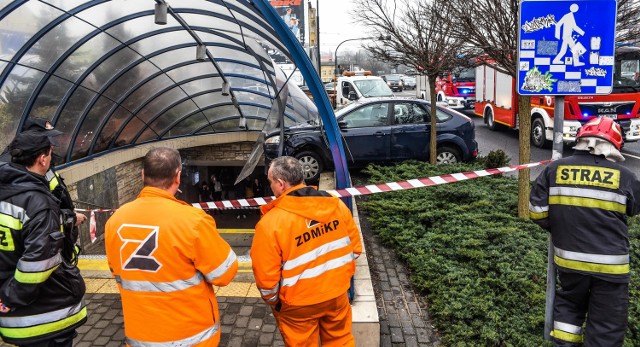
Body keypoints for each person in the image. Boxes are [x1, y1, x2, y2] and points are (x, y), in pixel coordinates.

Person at [105, 147, 238, 346]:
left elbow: (116, 270)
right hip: (193, 338)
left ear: (142, 175)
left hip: (141, 339)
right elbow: (224, 274)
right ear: (178, 176)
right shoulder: (193, 221)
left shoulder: (114, 221)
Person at [530, 117, 640, 346]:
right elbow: (634, 208)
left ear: (580, 140)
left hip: (569, 263)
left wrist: (562, 226)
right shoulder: (625, 177)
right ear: (614, 145)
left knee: (568, 311)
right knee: (606, 327)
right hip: (611, 268)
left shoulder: (553, 169)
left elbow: (537, 212)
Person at [251, 156, 362, 346]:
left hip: (298, 306)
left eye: (270, 182)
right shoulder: (335, 205)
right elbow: (356, 250)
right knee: (340, 341)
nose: (271, 187)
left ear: (280, 184)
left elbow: (266, 281)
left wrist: (275, 303)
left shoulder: (269, 224)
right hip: (336, 294)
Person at [0, 131, 87, 346]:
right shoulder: (38, 201)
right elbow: (38, 262)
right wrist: (9, 298)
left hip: (15, 321)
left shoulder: (6, 191)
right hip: (43, 318)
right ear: (42, 158)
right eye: (49, 154)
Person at [0, 118, 87, 260]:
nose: (52, 144)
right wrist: (68, 219)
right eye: (48, 138)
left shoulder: (35, 161)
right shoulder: (22, 167)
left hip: (54, 238)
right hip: (42, 246)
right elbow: (34, 212)